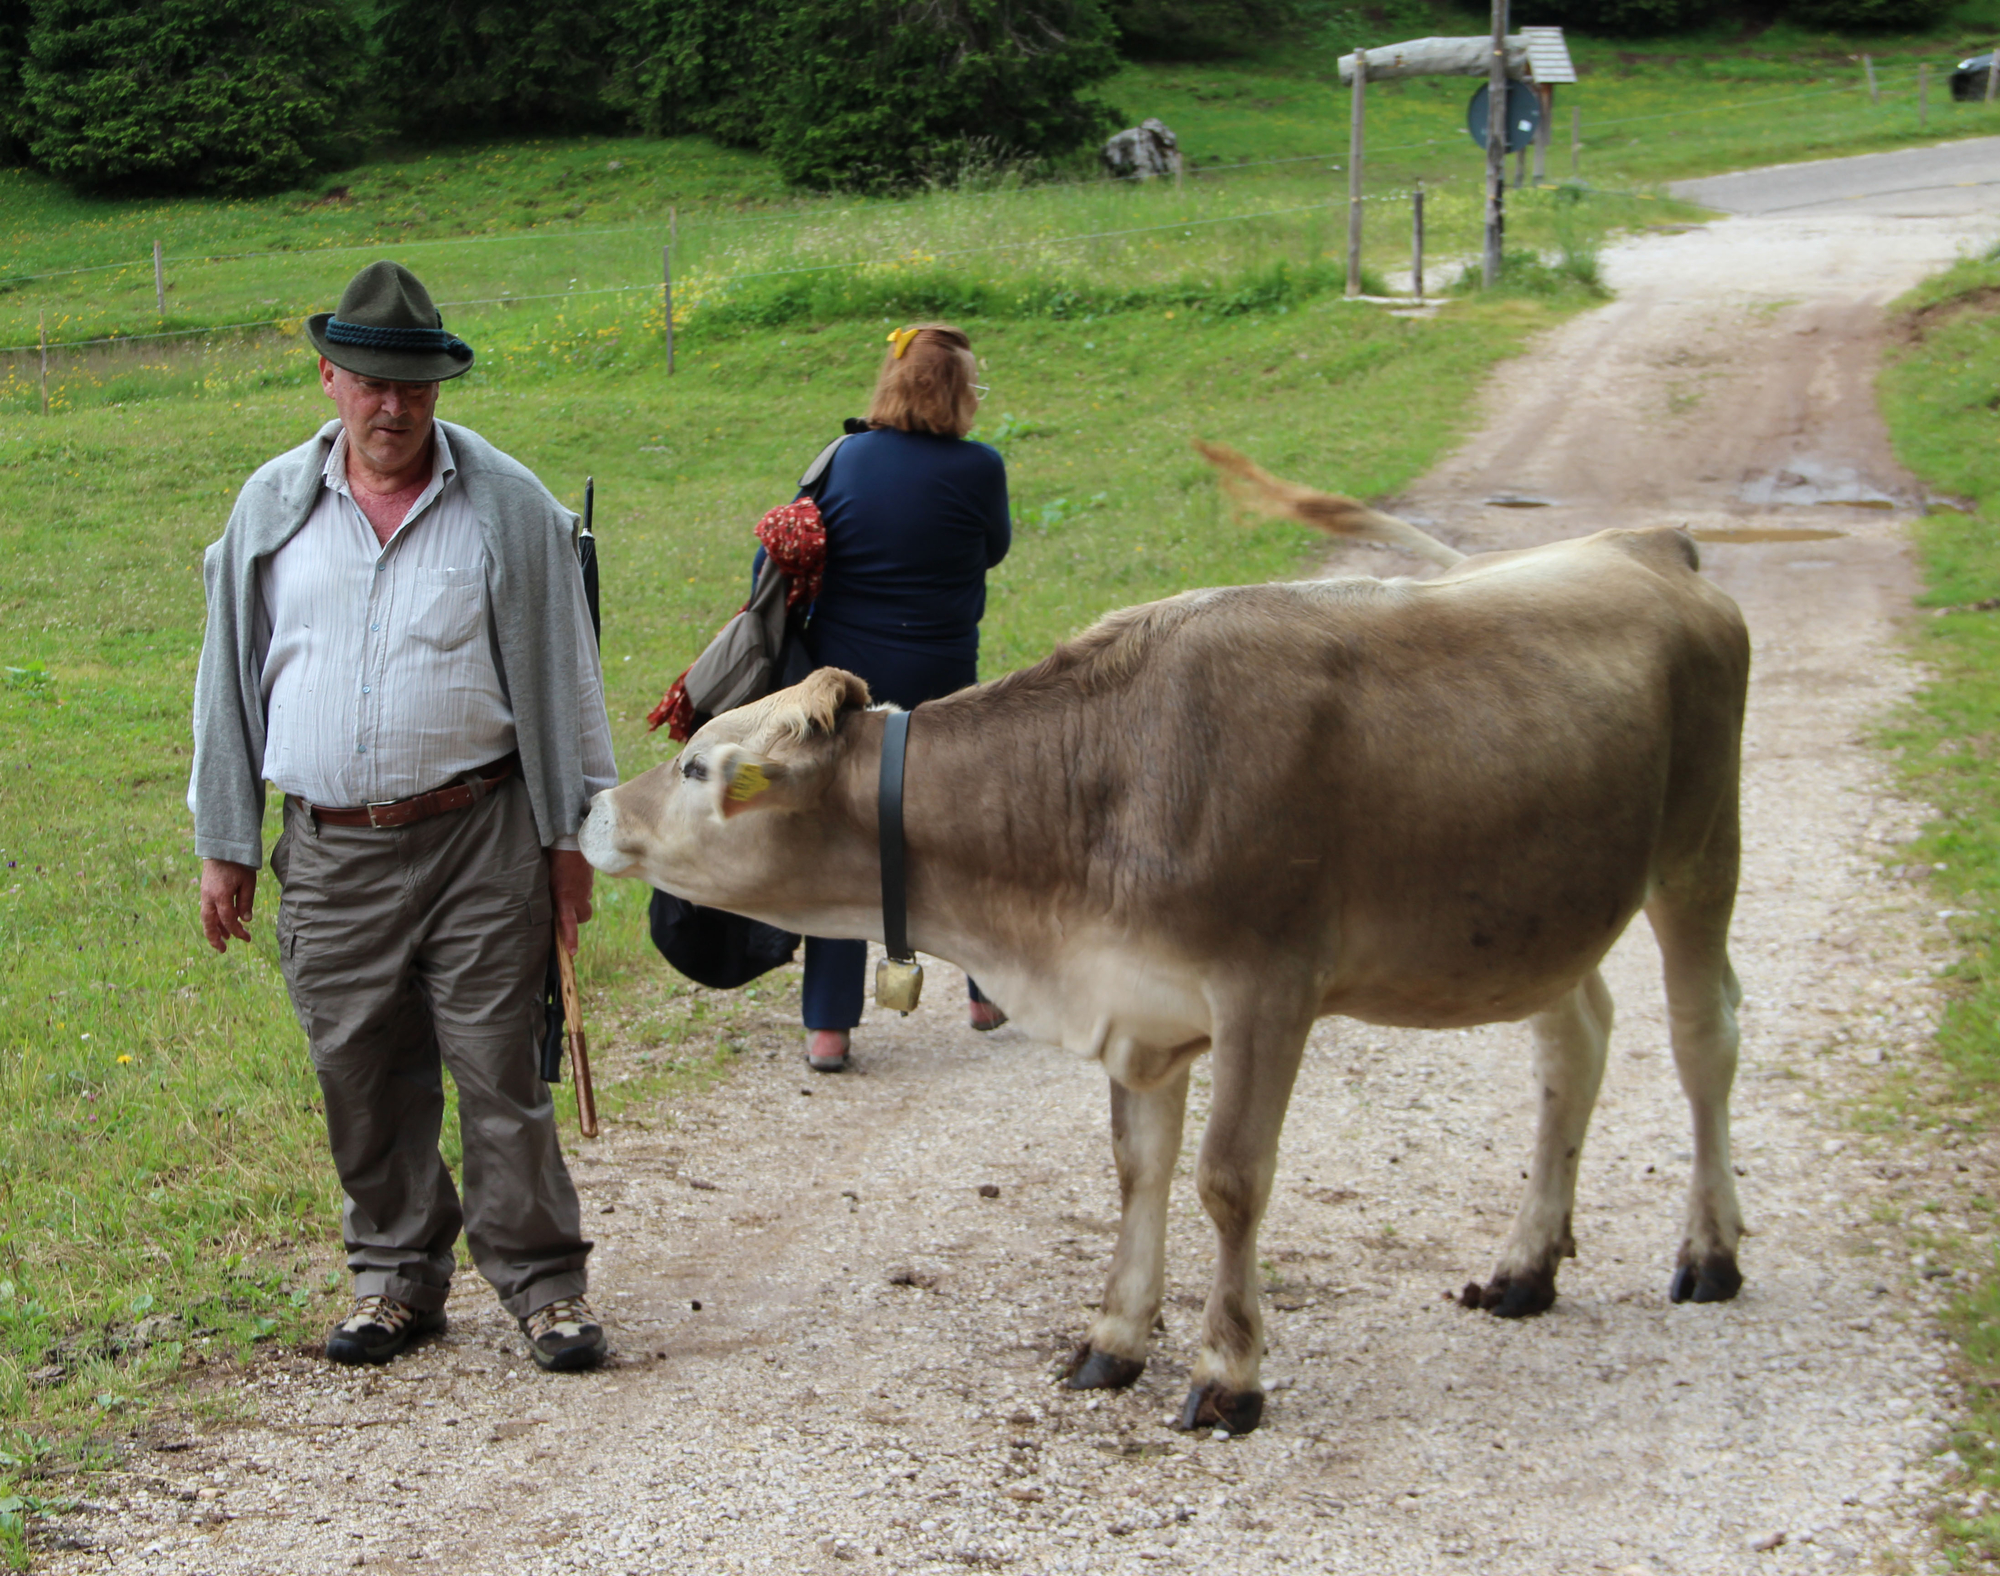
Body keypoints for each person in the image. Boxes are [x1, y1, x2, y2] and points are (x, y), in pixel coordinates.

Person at [188, 261, 617, 1372]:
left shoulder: (508, 507)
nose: (392, 408)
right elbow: (227, 681)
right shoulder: (270, 509)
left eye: (413, 389)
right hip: (328, 847)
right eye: (370, 384)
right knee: (358, 1067)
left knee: (497, 1071)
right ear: (329, 378)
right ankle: (394, 1280)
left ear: (438, 388)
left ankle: (544, 1286)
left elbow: (567, 678)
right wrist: (226, 842)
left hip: (482, 832)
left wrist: (573, 838)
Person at [776, 323, 1011, 1072]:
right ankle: (986, 992)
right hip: (944, 685)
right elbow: (994, 550)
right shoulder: (981, 468)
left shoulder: (840, 459)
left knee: (843, 838)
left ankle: (828, 1028)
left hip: (847, 696)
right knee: (960, 830)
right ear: (957, 393)